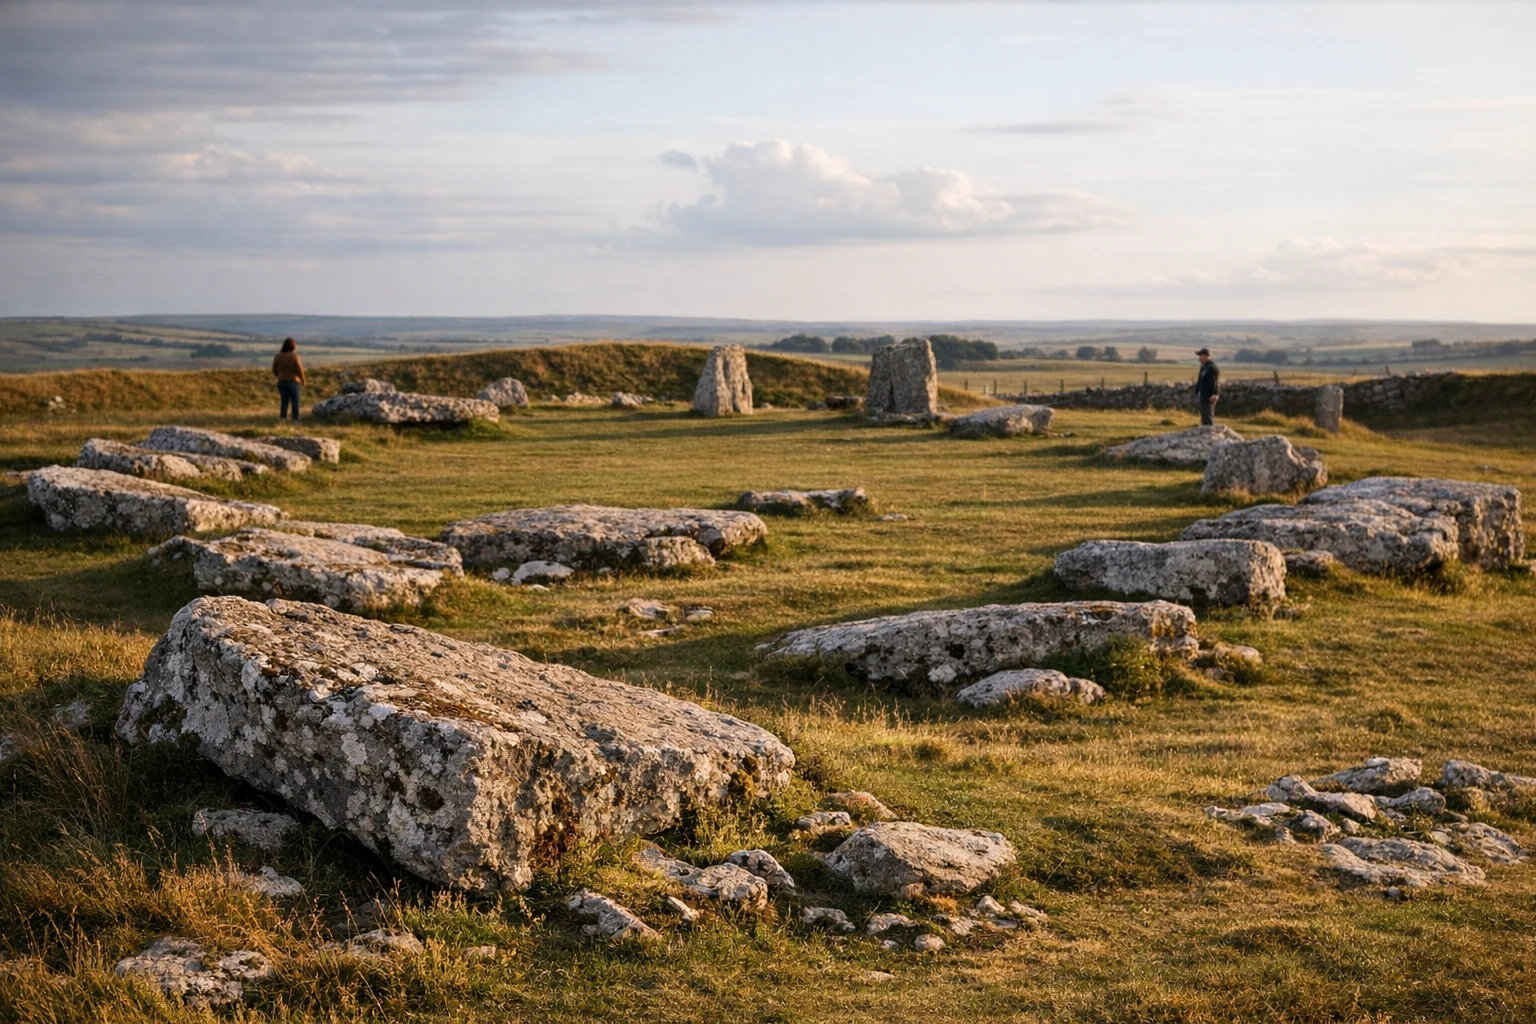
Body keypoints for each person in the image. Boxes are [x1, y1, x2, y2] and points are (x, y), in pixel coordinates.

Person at [272, 338, 305, 421]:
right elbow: (299, 370)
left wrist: (279, 376)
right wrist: (303, 381)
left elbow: (274, 369)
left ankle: (283, 418)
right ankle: (295, 419)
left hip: (281, 381)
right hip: (293, 381)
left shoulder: (278, 356)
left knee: (284, 401)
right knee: (295, 401)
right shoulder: (295, 356)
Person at [1195, 347, 1220, 425]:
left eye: (1201, 356)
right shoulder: (1204, 368)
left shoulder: (1211, 368)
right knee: (1204, 416)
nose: (1199, 359)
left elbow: (1213, 382)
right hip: (1203, 394)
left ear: (1206, 356)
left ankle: (1210, 434)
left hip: (1208, 396)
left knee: (1208, 417)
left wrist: (1212, 394)